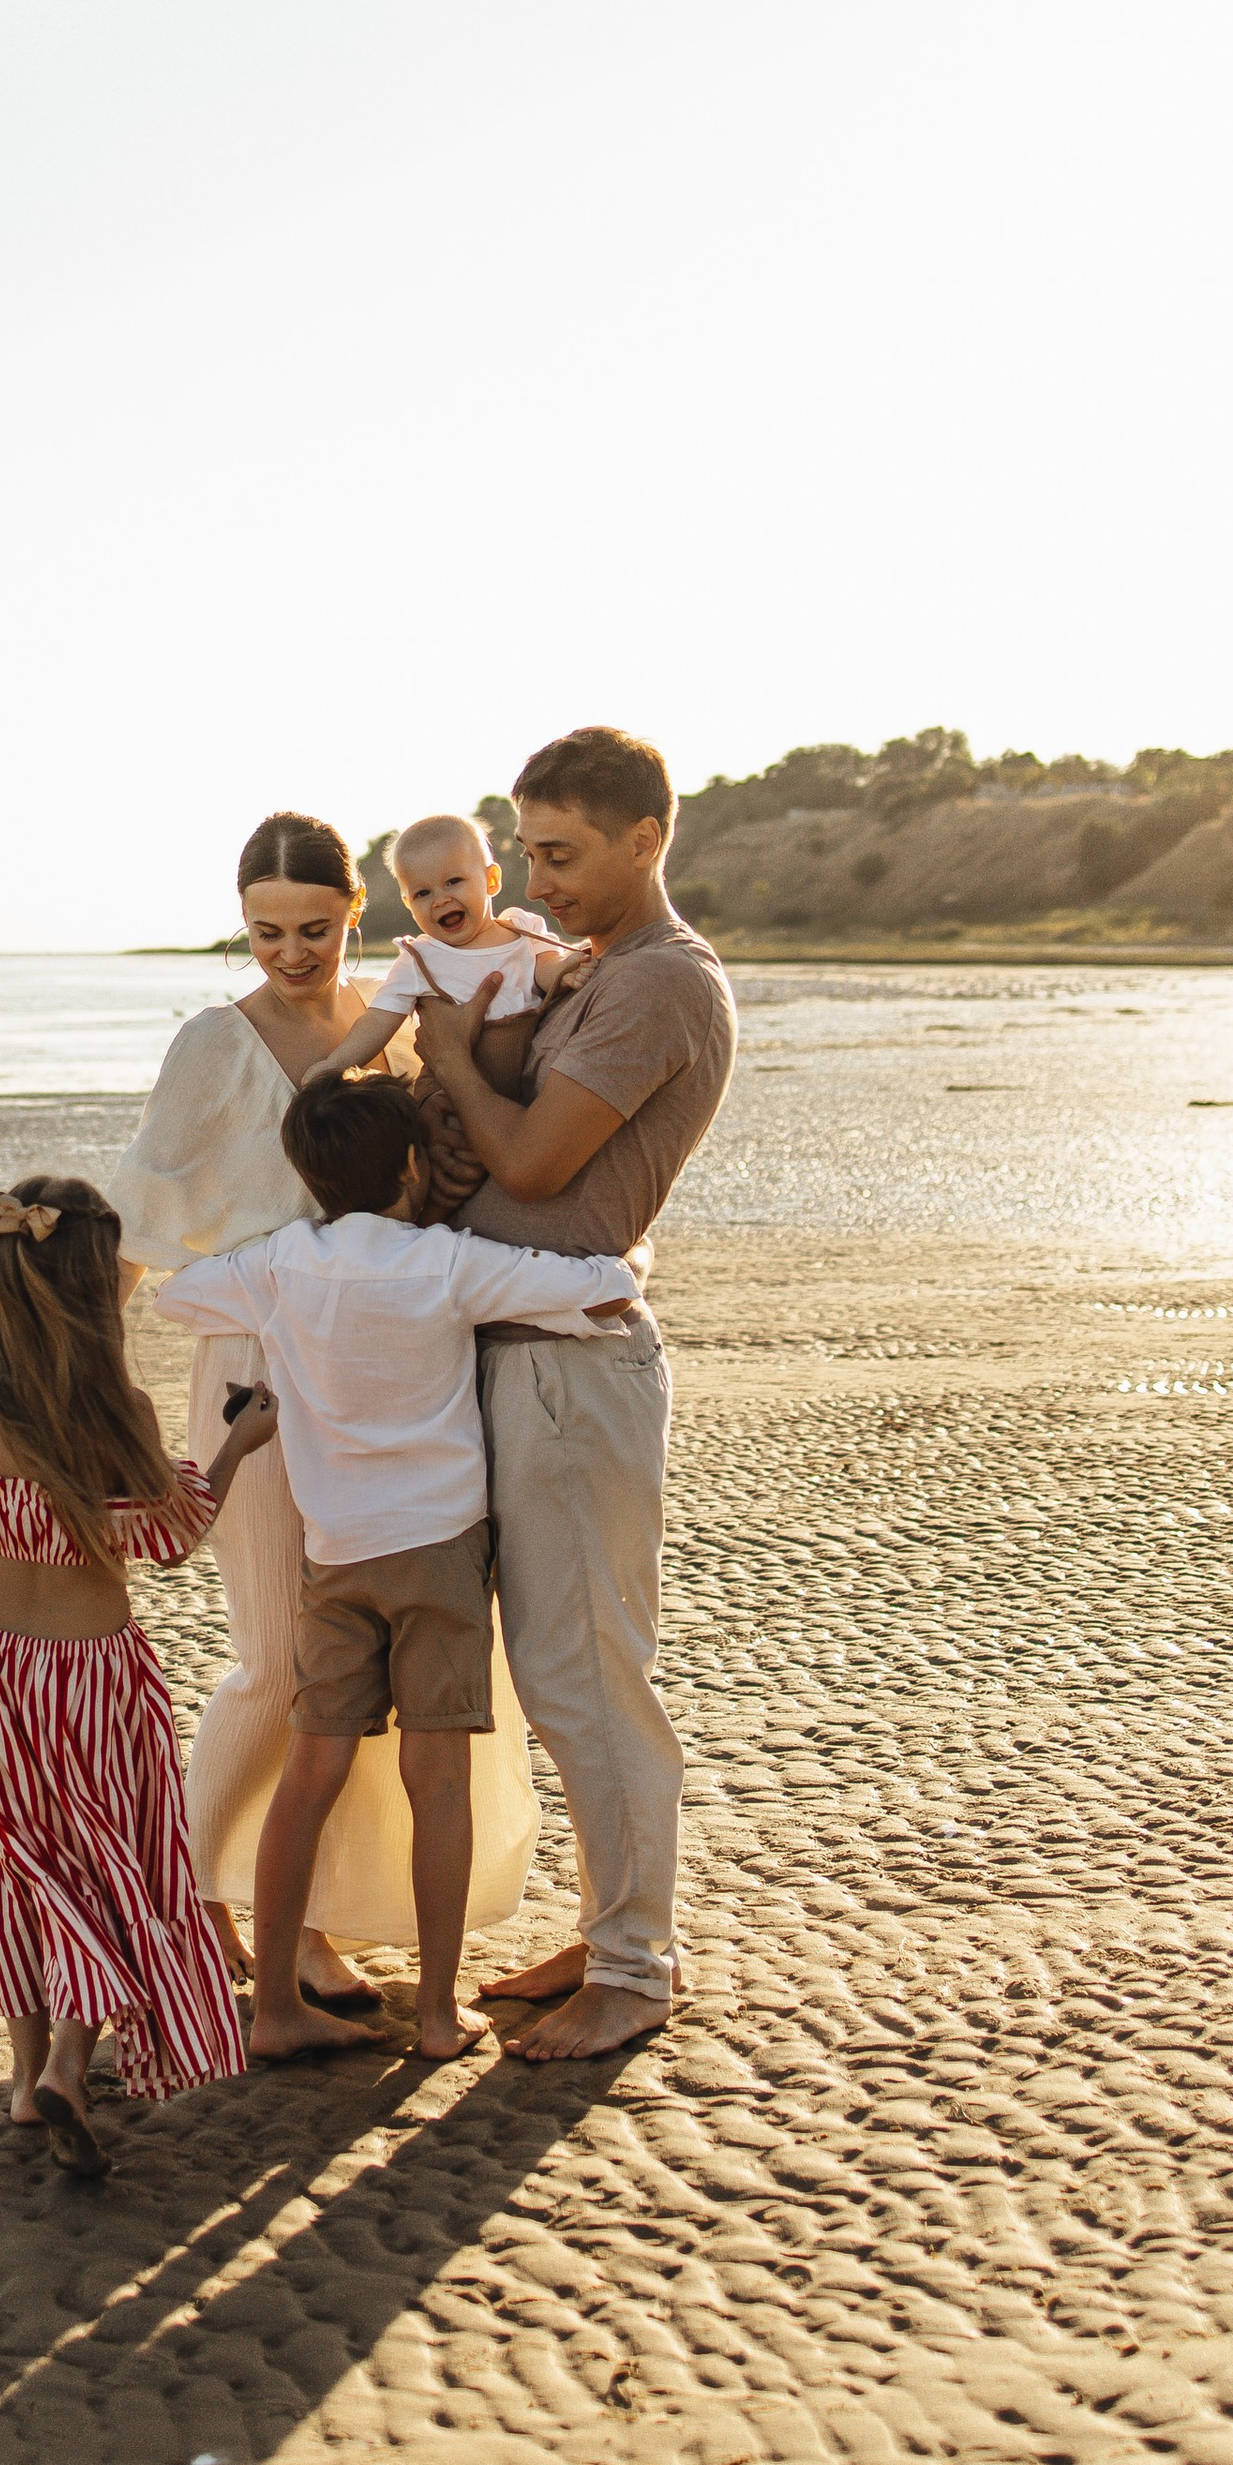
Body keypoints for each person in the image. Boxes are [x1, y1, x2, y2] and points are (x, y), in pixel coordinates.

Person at [107, 809, 542, 1997]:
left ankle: (302, 1923)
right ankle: (178, 1909)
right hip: (254, 1363)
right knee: (278, 1666)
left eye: (312, 927)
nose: (290, 953)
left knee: (353, 1686)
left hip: (378, 1372)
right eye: (262, 932)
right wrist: (82, 1374)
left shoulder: (388, 1026)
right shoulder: (214, 1038)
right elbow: (143, 1213)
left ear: (358, 911)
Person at [154, 1074, 639, 2067]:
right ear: (415, 1167)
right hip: (441, 1555)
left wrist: (265, 1272)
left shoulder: (283, 1265)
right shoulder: (446, 1263)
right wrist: (626, 1259)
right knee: (439, 1778)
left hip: (336, 1556)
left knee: (311, 1771)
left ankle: (276, 2002)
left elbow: (178, 1296)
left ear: (307, 1176)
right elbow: (595, 1288)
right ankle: (432, 2014)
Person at [409, 726, 737, 2062]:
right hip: (525, 1355)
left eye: (562, 854)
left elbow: (541, 1168)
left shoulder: (663, 984)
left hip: (572, 1372)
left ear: (646, 838)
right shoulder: (594, 968)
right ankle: (613, 1925)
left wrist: (440, 1064)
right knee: (557, 1674)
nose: (535, 879)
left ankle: (636, 1968)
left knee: (589, 1674)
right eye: (526, 850)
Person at [0, 1176, 268, 2178]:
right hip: (93, 1673)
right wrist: (237, 1447)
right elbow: (172, 1537)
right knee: (113, 1860)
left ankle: (25, 2082)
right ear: (104, 1290)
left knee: (31, 1858)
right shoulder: (119, 1411)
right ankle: (67, 2055)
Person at [303, 812, 573, 1084]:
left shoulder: (521, 927)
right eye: (422, 893)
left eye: (453, 882)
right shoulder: (420, 960)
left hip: (533, 1078)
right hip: (453, 1092)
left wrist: (567, 971)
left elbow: (548, 965)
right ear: (408, 903)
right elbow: (378, 1021)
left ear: (491, 880)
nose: (441, 900)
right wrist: (335, 1064)